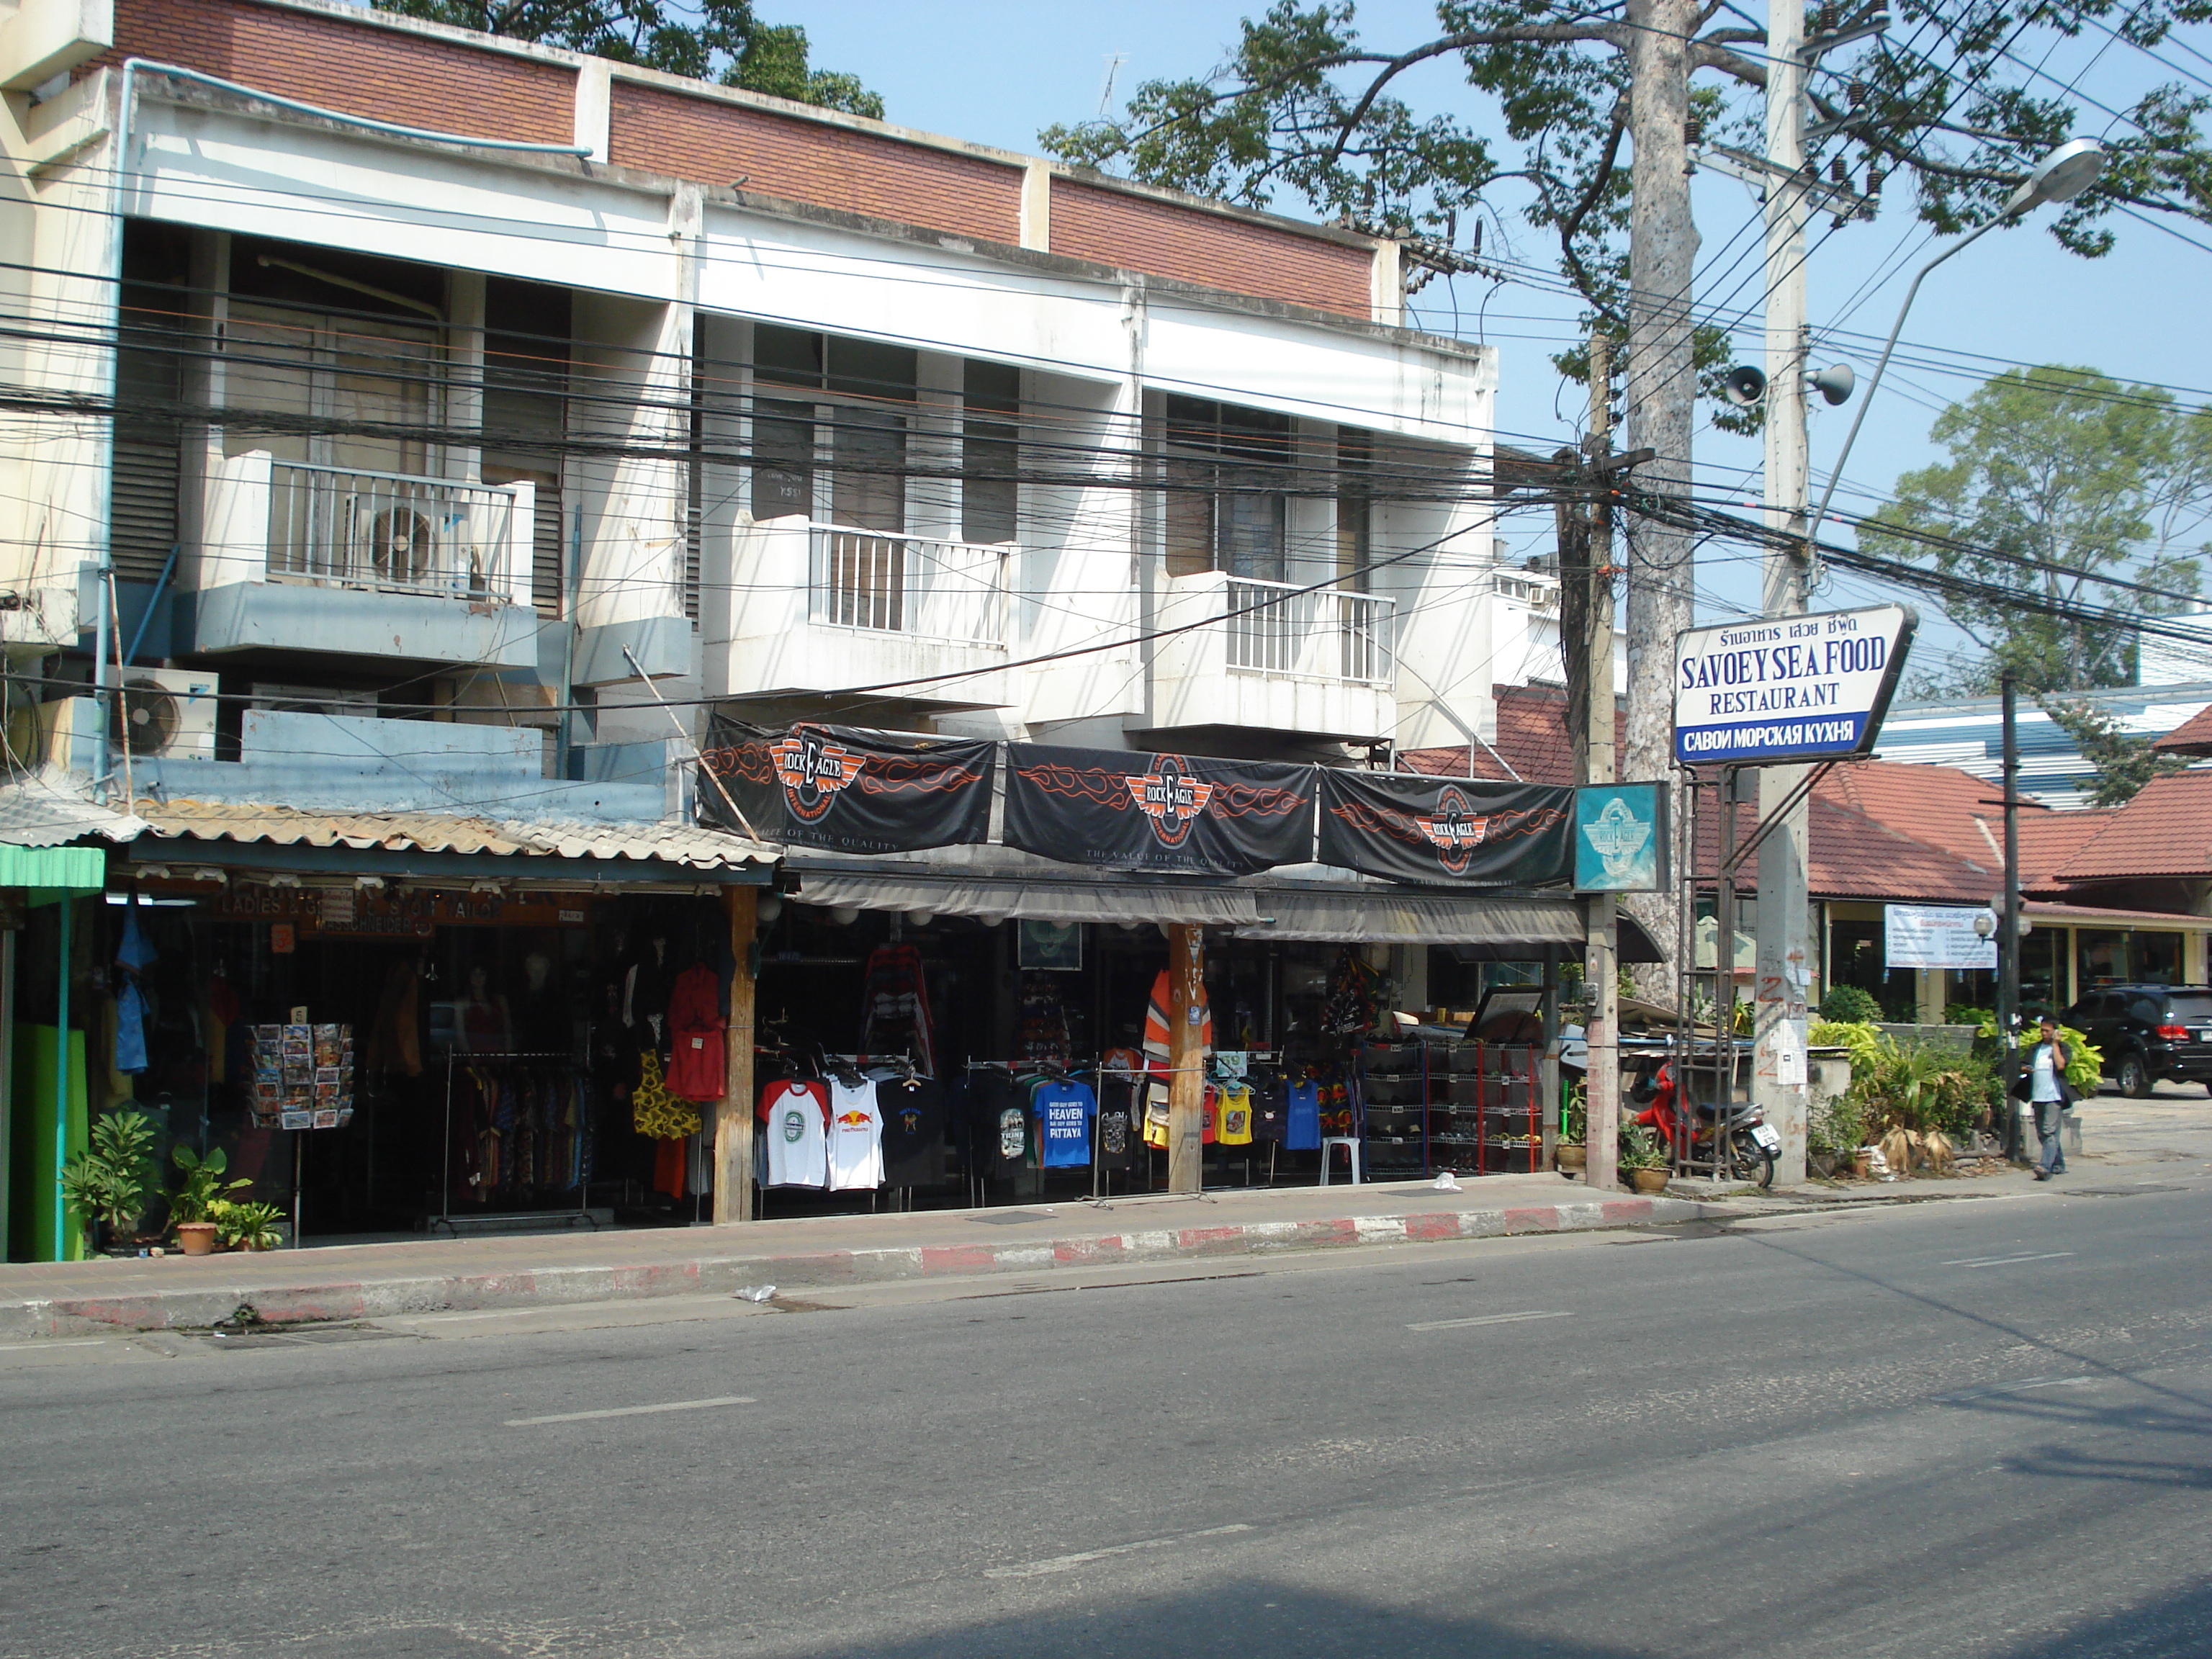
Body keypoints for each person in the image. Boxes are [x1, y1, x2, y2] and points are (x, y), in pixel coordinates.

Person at [2018, 1015, 2077, 1180]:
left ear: (2055, 1032)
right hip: (2038, 1096)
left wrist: (2056, 1044)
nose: (2043, 1033)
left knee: (2049, 1132)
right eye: (2042, 1030)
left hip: (2054, 1096)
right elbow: (2023, 1064)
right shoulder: (2035, 1048)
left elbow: (2061, 1065)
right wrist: (2025, 1068)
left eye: (2047, 1031)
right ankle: (2058, 1164)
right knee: (2042, 1134)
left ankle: (2045, 1166)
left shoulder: (2062, 1048)